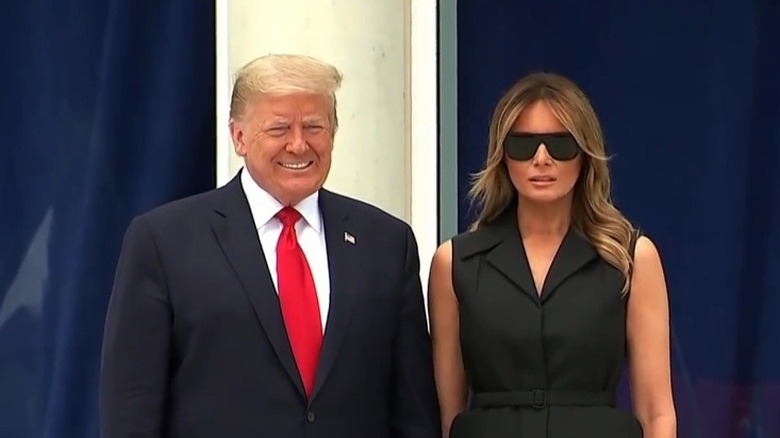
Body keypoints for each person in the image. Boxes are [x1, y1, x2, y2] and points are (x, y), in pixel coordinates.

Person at [99, 54, 440, 438]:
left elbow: (414, 411)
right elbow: (132, 405)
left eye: (314, 126)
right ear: (239, 137)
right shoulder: (165, 241)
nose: (298, 145)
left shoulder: (386, 243)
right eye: (279, 129)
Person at [427, 72, 676, 438]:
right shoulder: (456, 263)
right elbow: (447, 417)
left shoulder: (630, 258)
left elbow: (657, 412)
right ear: (502, 155)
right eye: (523, 145)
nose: (541, 159)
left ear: (585, 154)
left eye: (560, 144)